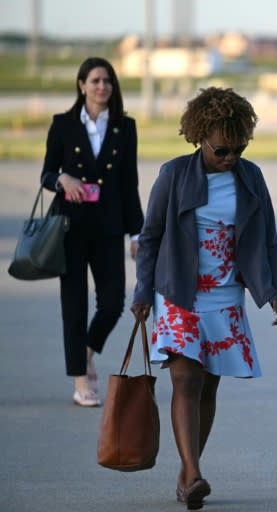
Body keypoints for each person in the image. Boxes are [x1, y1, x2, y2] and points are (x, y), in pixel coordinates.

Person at [131, 87, 277, 510]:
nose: (230, 158)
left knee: (209, 386)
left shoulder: (251, 177)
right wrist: (142, 291)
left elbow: (268, 239)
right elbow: (150, 238)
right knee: (186, 379)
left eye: (238, 149)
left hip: (226, 296)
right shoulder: (174, 174)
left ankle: (187, 475)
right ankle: (194, 473)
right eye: (222, 150)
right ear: (200, 137)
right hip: (178, 293)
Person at [40, 56, 144, 407]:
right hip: (70, 228)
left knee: (113, 302)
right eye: (96, 80)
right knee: (74, 305)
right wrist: (61, 179)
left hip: (110, 228)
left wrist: (136, 234)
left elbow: (130, 184)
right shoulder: (63, 125)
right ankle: (81, 381)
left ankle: (85, 352)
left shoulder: (124, 128)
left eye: (108, 81)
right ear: (82, 85)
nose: (102, 86)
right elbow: (46, 174)